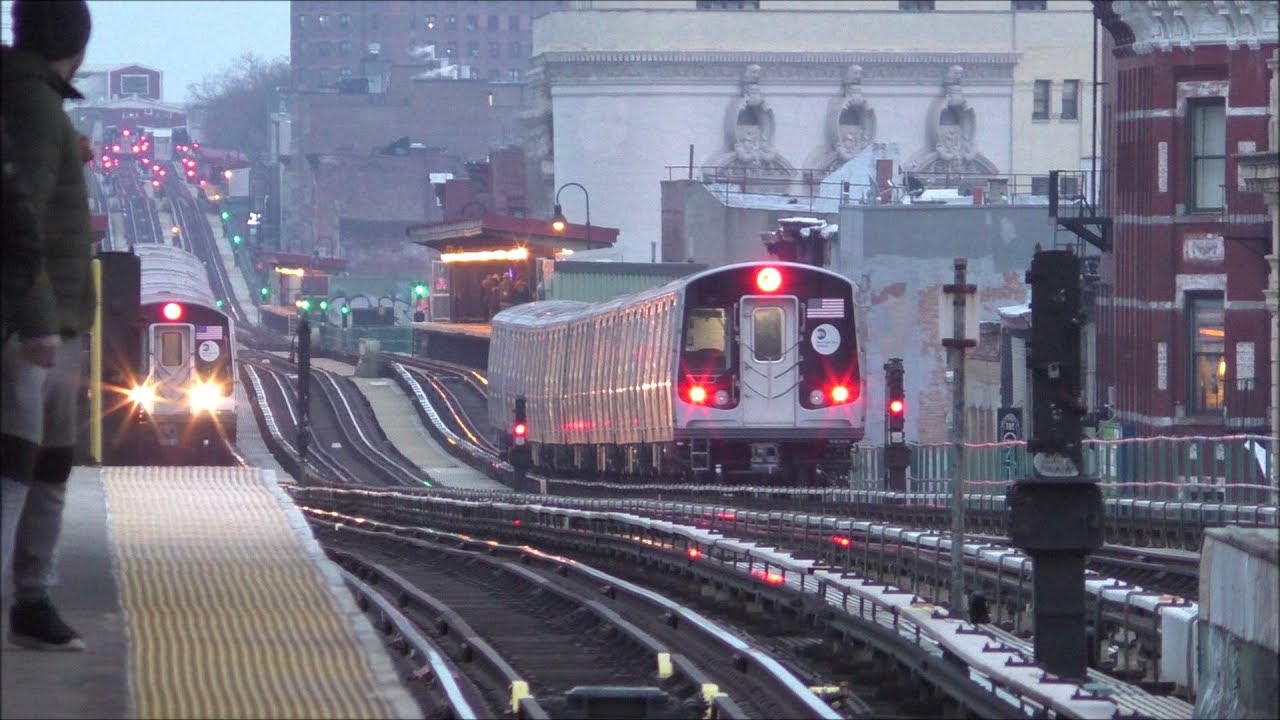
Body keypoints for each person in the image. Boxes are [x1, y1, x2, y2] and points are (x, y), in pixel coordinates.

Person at [1, 0, 95, 651]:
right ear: (78, 43)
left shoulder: (41, 103)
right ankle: (26, 594)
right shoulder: (33, 104)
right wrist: (34, 322)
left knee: (52, 465)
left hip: (59, 323)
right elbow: (18, 217)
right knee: (16, 468)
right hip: (35, 330)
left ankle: (34, 599)